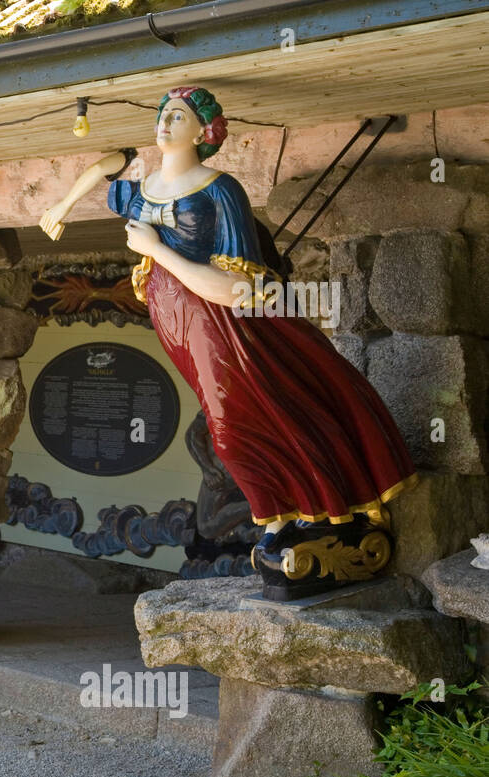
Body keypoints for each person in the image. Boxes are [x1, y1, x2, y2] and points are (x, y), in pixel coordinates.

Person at [40, 86, 416, 598]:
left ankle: (314, 511)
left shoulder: (220, 190)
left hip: (225, 327)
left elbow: (240, 289)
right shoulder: (146, 187)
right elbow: (111, 164)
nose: (165, 123)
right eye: (162, 115)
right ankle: (285, 520)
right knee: (237, 424)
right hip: (180, 327)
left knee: (238, 427)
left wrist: (155, 249)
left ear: (205, 131)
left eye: (178, 116)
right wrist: (61, 203)